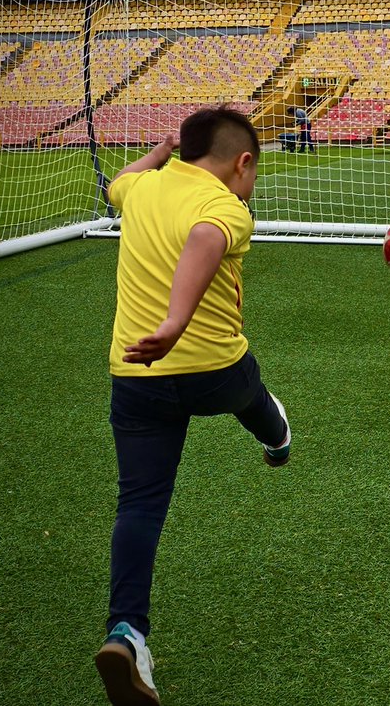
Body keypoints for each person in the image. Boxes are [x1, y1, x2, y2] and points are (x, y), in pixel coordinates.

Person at [95, 106, 291, 706]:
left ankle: (126, 633)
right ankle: (277, 438)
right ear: (243, 163)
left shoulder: (143, 188)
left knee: (141, 505)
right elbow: (206, 238)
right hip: (211, 370)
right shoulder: (228, 207)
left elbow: (117, 183)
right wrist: (177, 321)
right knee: (252, 395)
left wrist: (156, 154)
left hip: (137, 371)